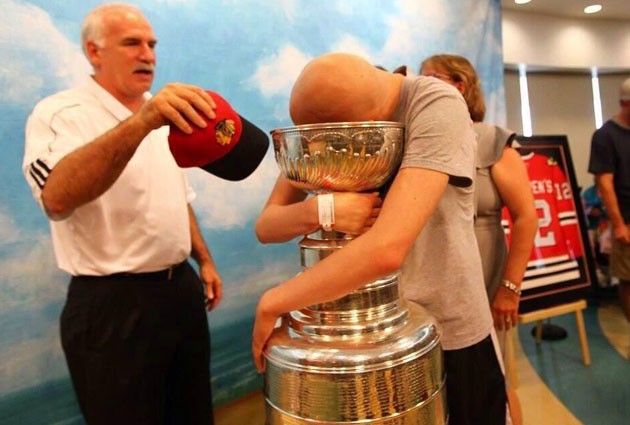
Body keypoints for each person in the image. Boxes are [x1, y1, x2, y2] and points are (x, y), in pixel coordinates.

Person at [22, 3, 267, 424]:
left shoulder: (164, 112)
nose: (148, 54)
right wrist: (142, 122)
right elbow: (57, 198)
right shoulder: (61, 113)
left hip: (179, 291)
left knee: (193, 414)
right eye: (132, 43)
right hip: (111, 307)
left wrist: (203, 258)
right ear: (94, 52)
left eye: (152, 44)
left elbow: (176, 196)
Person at [252, 52, 506, 425]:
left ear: (357, 128)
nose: (320, 151)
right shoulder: (338, 102)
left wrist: (273, 302)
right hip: (354, 332)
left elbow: (388, 247)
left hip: (445, 330)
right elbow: (267, 226)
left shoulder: (435, 102)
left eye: (326, 142)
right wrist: (325, 210)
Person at [419, 54, 538, 425]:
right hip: (438, 275)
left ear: (460, 86)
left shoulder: (490, 140)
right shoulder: (421, 142)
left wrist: (509, 288)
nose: (421, 86)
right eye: (419, 78)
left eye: (432, 78)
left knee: (492, 376)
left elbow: (526, 217)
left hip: (485, 271)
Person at [589, 76, 630, 321]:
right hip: (626, 217)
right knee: (628, 278)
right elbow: (604, 184)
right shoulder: (605, 136)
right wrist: (619, 224)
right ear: (625, 103)